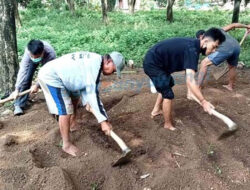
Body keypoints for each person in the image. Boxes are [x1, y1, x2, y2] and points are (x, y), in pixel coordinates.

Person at [38, 51, 125, 156]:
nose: (112, 73)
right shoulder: (94, 66)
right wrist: (103, 122)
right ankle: (66, 144)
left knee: (75, 96)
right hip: (52, 76)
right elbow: (93, 95)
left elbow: (87, 91)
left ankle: (72, 123)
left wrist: (104, 118)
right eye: (114, 70)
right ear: (109, 61)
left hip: (66, 78)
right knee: (65, 109)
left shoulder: (96, 62)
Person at [143, 28, 225, 131]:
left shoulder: (193, 46)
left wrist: (191, 92)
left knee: (168, 84)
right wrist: (203, 101)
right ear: (205, 41)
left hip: (160, 64)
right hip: (153, 64)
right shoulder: (192, 50)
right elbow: (190, 80)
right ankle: (167, 124)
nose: (213, 51)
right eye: (214, 47)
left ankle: (155, 110)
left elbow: (189, 75)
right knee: (168, 94)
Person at [196, 23, 250, 91]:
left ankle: (198, 87)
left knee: (204, 63)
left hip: (226, 48)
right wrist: (247, 26)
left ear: (202, 36)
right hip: (236, 46)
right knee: (232, 66)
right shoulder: (219, 30)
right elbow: (233, 25)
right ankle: (230, 86)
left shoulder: (207, 39)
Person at [11, 39, 56, 115]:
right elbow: (23, 70)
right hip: (31, 61)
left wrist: (37, 85)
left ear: (42, 52)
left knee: (49, 80)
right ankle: (19, 104)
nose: (35, 59)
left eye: (37, 57)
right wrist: (17, 89)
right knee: (26, 78)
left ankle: (52, 102)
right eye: (33, 56)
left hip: (46, 62)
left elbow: (47, 73)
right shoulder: (28, 52)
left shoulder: (50, 54)